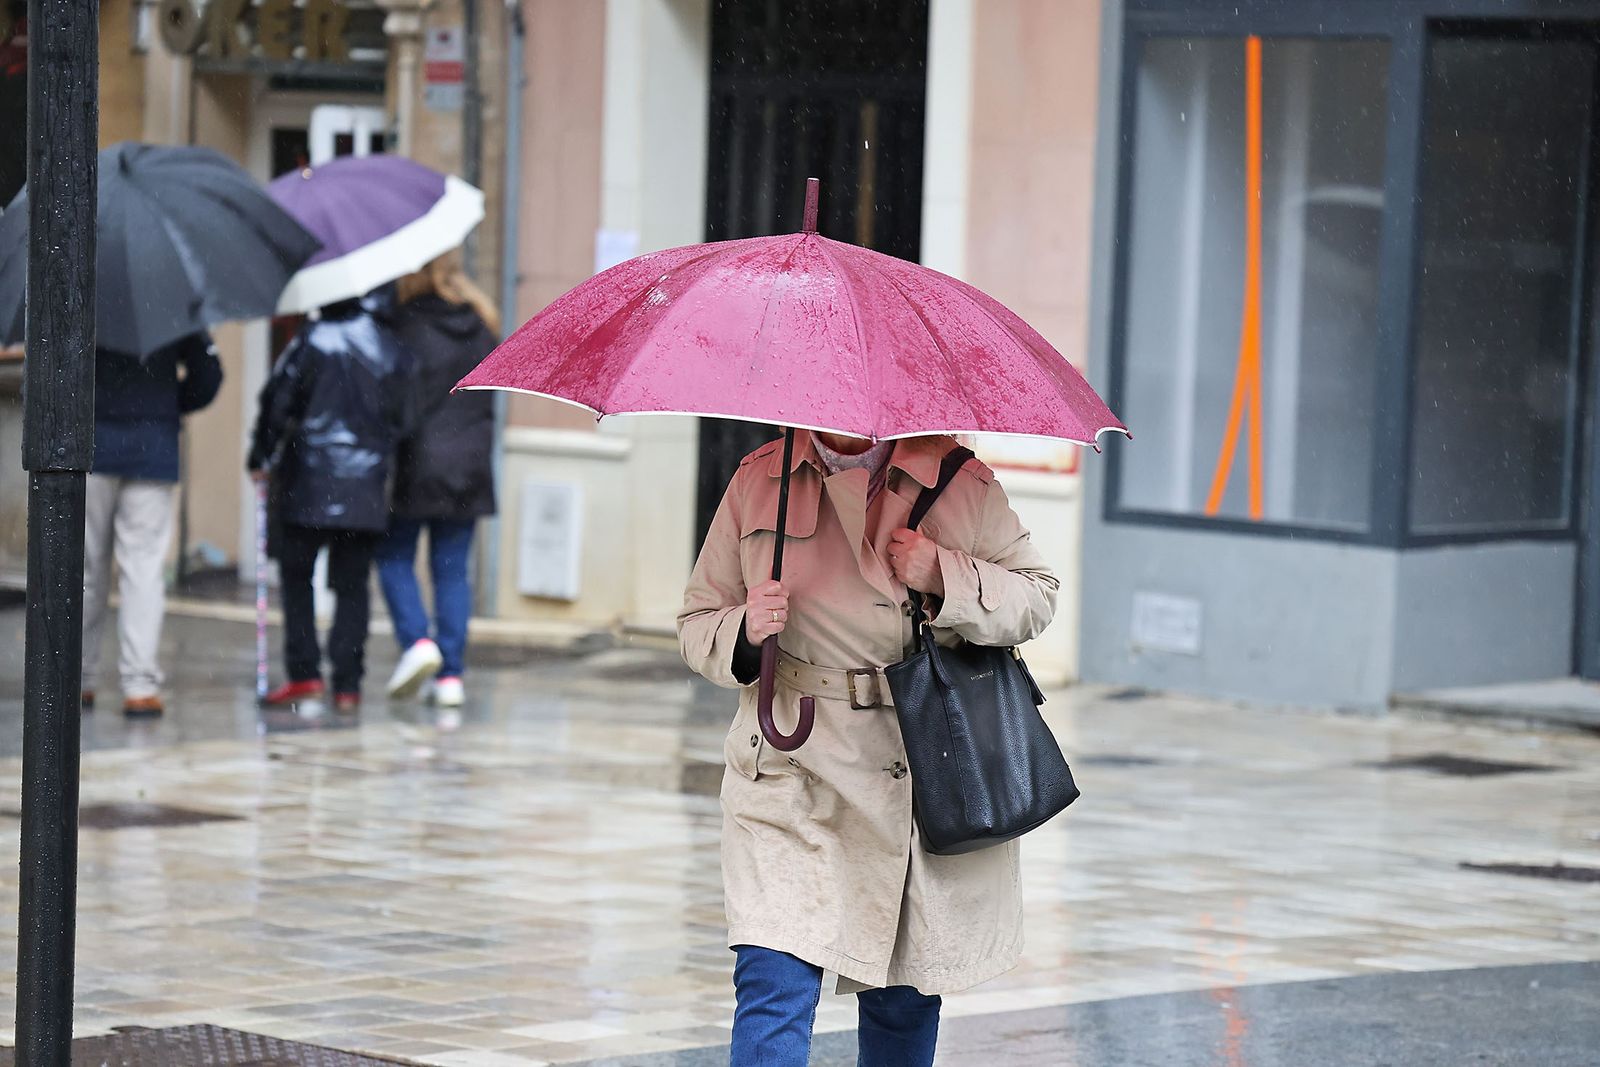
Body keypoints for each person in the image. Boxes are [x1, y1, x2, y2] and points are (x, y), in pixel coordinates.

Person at [678, 430, 1058, 1066]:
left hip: (916, 767)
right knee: (772, 979)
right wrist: (743, 630)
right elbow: (696, 623)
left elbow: (1037, 596)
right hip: (789, 763)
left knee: (901, 996)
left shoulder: (960, 479)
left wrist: (945, 574)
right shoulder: (759, 479)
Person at [247, 294, 411, 714]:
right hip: (365, 486)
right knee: (352, 585)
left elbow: (277, 402)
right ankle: (348, 684)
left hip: (309, 479)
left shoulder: (311, 339)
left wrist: (260, 456)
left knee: (297, 577)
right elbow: (405, 418)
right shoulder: (388, 345)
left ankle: (305, 673)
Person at [376, 253, 499, 708]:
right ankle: (450, 675)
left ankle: (417, 642)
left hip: (416, 462)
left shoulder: (401, 326)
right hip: (469, 465)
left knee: (393, 556)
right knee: (452, 571)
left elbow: (395, 402)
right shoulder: (481, 322)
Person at [82, 332, 223, 717]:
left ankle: (76, 679)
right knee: (143, 569)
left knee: (84, 568)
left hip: (88, 441)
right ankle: (140, 686)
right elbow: (208, 375)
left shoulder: (80, 283)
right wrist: (166, 404)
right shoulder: (172, 292)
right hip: (152, 445)